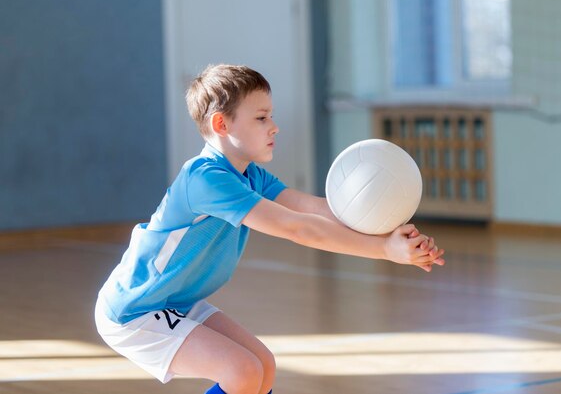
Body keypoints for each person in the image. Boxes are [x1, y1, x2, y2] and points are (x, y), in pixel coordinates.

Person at [94, 64, 445, 394]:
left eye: (271, 116)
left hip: (176, 301)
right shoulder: (206, 179)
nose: (274, 126)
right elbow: (298, 228)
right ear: (221, 125)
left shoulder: (250, 175)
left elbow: (318, 209)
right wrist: (384, 251)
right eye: (261, 118)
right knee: (241, 371)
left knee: (262, 365)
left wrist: (392, 236)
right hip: (135, 309)